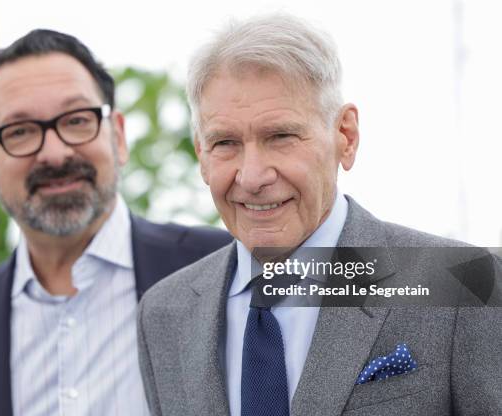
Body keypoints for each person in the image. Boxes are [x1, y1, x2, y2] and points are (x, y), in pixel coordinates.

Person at [137, 14, 502, 416]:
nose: (253, 176)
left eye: (281, 137)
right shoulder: (164, 313)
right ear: (201, 155)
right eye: (225, 142)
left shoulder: (463, 283)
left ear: (345, 136)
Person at [0, 29, 231, 416]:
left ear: (117, 136)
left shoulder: (232, 266)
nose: (54, 153)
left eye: (77, 120)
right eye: (19, 131)